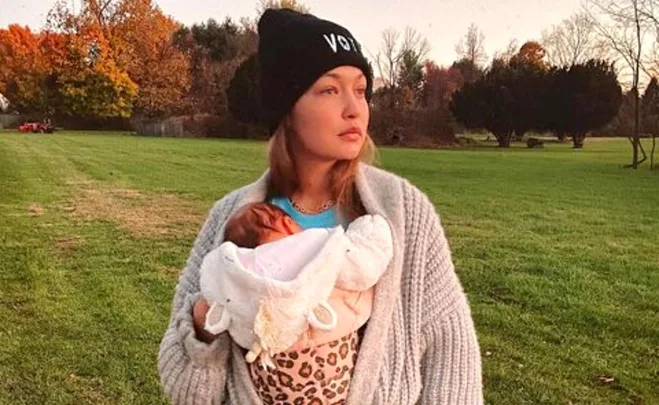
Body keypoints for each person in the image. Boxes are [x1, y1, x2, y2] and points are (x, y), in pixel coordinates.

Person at [158, 8, 483, 405]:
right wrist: (204, 329)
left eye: (361, 90)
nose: (354, 108)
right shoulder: (229, 221)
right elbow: (189, 392)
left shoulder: (401, 213)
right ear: (288, 111)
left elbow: (451, 351)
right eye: (330, 89)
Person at [198, 202, 392, 371]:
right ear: (287, 223)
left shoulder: (237, 273)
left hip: (271, 377)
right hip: (331, 367)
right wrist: (370, 228)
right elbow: (363, 267)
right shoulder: (310, 246)